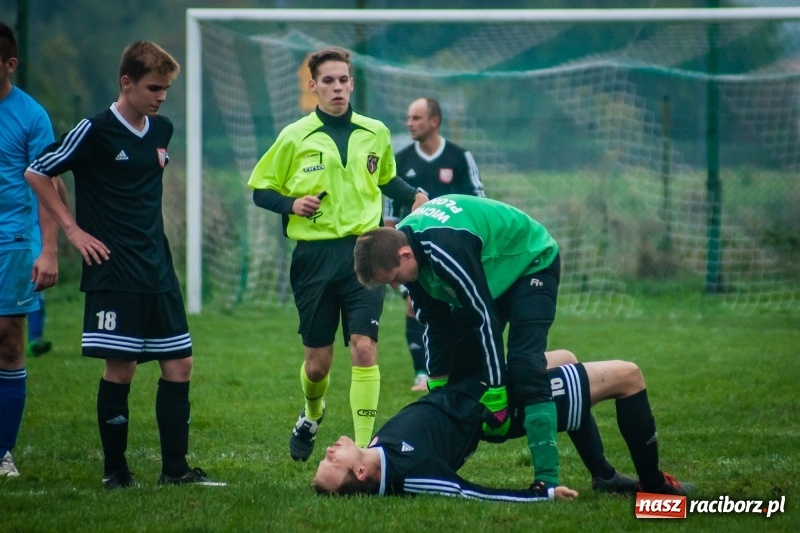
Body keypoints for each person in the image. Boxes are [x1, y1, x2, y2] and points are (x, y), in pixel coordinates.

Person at [25, 40, 224, 489]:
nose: (160, 97)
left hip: (158, 266)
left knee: (180, 365)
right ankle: (116, 472)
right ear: (126, 82)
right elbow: (38, 171)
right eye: (153, 88)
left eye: (166, 90)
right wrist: (71, 233)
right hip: (113, 269)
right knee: (122, 368)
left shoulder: (162, 129)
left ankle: (175, 470)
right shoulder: (94, 130)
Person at [247, 46, 428, 461]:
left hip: (366, 252)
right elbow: (261, 190)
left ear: (351, 83)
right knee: (318, 365)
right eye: (328, 81)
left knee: (364, 346)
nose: (337, 87)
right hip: (313, 257)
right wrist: (292, 204)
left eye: (343, 79)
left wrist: (415, 196)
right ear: (313, 86)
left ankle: (365, 449)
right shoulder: (295, 136)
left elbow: (387, 180)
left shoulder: (375, 132)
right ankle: (312, 414)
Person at [354, 194, 561, 493]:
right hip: (490, 277)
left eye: (394, 278)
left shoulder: (444, 248)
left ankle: (547, 479)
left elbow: (483, 317)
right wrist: (437, 384)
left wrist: (496, 391)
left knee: (524, 364)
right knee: (462, 373)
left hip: (531, 260)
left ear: (404, 256)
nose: (395, 286)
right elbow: (434, 323)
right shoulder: (407, 252)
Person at [313, 350, 696, 498]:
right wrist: (541, 494)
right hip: (502, 404)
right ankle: (656, 488)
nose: (329, 451)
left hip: (479, 381)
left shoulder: (380, 448)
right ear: (360, 472)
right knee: (629, 375)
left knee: (566, 356)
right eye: (332, 461)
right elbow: (474, 492)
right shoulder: (413, 473)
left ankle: (604, 476)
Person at [385, 97, 486, 391]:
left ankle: (466, 367)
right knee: (415, 306)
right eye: (408, 118)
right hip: (413, 250)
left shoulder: (459, 157)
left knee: (459, 307)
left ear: (434, 121)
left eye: (417, 118)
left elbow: (478, 201)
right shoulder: (401, 160)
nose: (410, 123)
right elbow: (391, 212)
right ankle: (422, 372)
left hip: (453, 250)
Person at [0, 21, 59, 478]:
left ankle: (2, 453)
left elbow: (49, 186)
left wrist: (50, 250)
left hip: (13, 243)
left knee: (9, 341)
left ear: (9, 64)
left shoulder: (32, 116)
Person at [26, 177, 68, 357]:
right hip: (15, 231)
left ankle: (35, 338)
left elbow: (57, 184)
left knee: (34, 283)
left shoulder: (38, 164)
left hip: (35, 232)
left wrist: (65, 221)